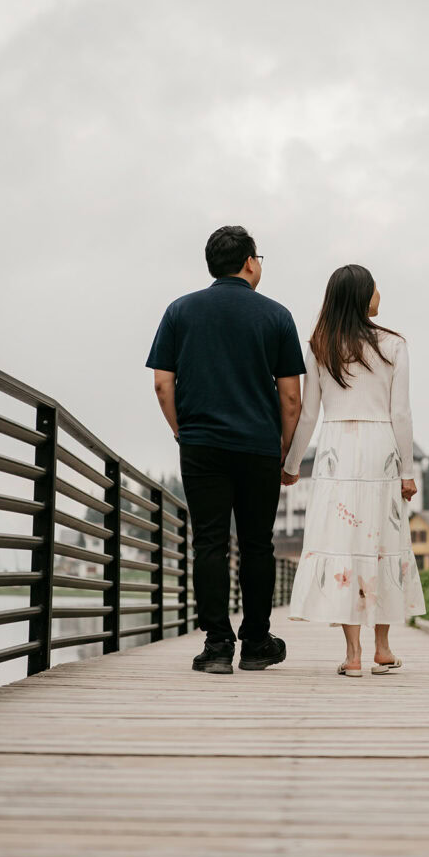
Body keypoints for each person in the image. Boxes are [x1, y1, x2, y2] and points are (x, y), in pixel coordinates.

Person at [145, 226, 306, 674]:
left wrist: (183, 431)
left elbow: (162, 383)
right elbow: (291, 398)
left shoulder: (180, 311)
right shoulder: (277, 316)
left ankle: (217, 646)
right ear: (250, 262)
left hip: (201, 443)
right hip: (258, 446)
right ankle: (256, 642)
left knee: (210, 543)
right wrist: (283, 451)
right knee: (257, 544)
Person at [281, 264, 426, 676]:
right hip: (382, 451)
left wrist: (292, 465)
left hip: (336, 451)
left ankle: (353, 654)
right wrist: (408, 471)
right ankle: (383, 647)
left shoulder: (320, 346)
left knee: (344, 543)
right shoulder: (394, 345)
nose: (381, 292)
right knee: (383, 541)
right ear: (363, 296)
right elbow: (401, 413)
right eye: (375, 287)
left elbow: (308, 415)